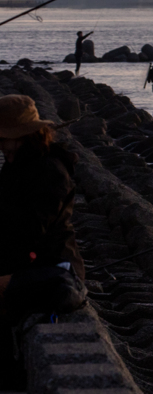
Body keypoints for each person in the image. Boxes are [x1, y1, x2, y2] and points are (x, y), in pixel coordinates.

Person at [0, 95, 87, 388]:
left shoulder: (50, 171)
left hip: (54, 267)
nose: (1, 146)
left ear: (24, 137)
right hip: (26, 260)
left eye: (4, 139)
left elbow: (29, 230)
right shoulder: (17, 166)